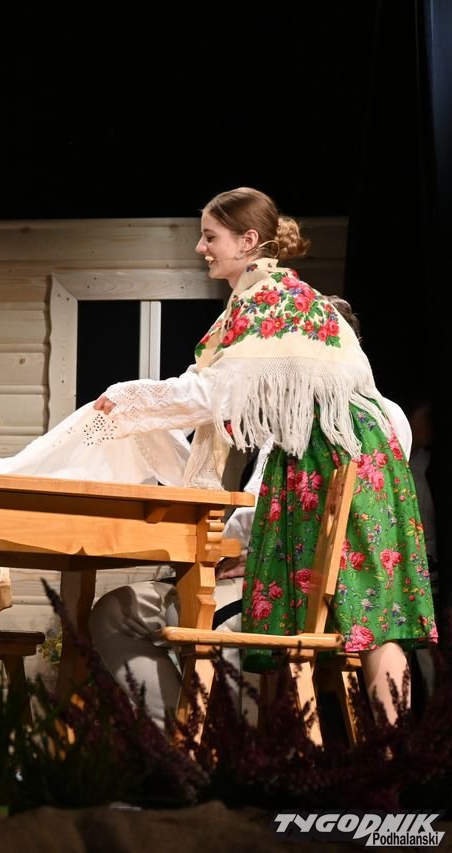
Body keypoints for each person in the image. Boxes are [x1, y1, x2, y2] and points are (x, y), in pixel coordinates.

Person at [93, 188, 436, 726]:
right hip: (367, 459)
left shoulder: (265, 300)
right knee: (377, 622)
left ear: (248, 241)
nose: (201, 248)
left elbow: (212, 392)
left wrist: (132, 399)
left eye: (210, 236)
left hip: (328, 454)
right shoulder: (296, 296)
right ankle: (396, 756)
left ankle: (256, 747)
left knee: (359, 621)